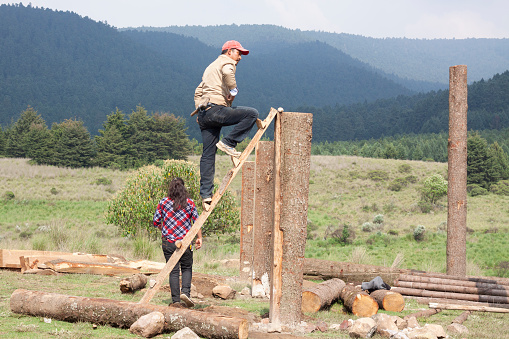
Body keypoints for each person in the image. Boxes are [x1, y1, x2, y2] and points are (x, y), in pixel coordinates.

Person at [194, 40, 260, 211]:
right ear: (229, 51)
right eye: (239, 53)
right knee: (252, 113)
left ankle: (206, 196)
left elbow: (198, 91)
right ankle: (229, 142)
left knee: (208, 155)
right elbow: (228, 72)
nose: (240, 58)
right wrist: (233, 90)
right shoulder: (226, 63)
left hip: (205, 114)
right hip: (216, 110)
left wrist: (199, 109)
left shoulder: (210, 68)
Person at [153, 177, 202, 307]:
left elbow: (156, 221)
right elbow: (197, 222)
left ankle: (175, 301)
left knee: (173, 271)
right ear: (183, 188)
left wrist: (165, 230)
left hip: (168, 242)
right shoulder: (189, 203)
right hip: (185, 242)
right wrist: (199, 238)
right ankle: (185, 292)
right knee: (186, 268)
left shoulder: (163, 202)